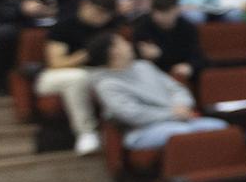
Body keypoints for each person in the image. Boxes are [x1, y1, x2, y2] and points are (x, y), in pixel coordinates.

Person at [88, 32, 229, 151]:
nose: (129, 44)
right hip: (141, 131)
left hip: (178, 118)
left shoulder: (143, 66)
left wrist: (183, 105)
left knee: (219, 127)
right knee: (183, 135)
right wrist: (172, 114)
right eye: (122, 42)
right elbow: (132, 114)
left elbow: (176, 88)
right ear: (113, 51)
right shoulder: (107, 84)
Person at [38, 0, 119, 154]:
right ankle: (86, 132)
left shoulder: (110, 27)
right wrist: (85, 55)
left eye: (107, 14)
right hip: (56, 76)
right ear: (85, 5)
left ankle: (117, 129)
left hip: (96, 72)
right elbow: (55, 62)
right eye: (98, 12)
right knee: (78, 77)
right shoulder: (64, 26)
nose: (102, 18)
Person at [129, 0, 203, 83]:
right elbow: (136, 54)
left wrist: (190, 66)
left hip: (177, 71)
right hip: (150, 73)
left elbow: (195, 54)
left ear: (176, 10)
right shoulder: (143, 26)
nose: (160, 16)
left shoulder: (187, 28)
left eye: (165, 12)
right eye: (156, 12)